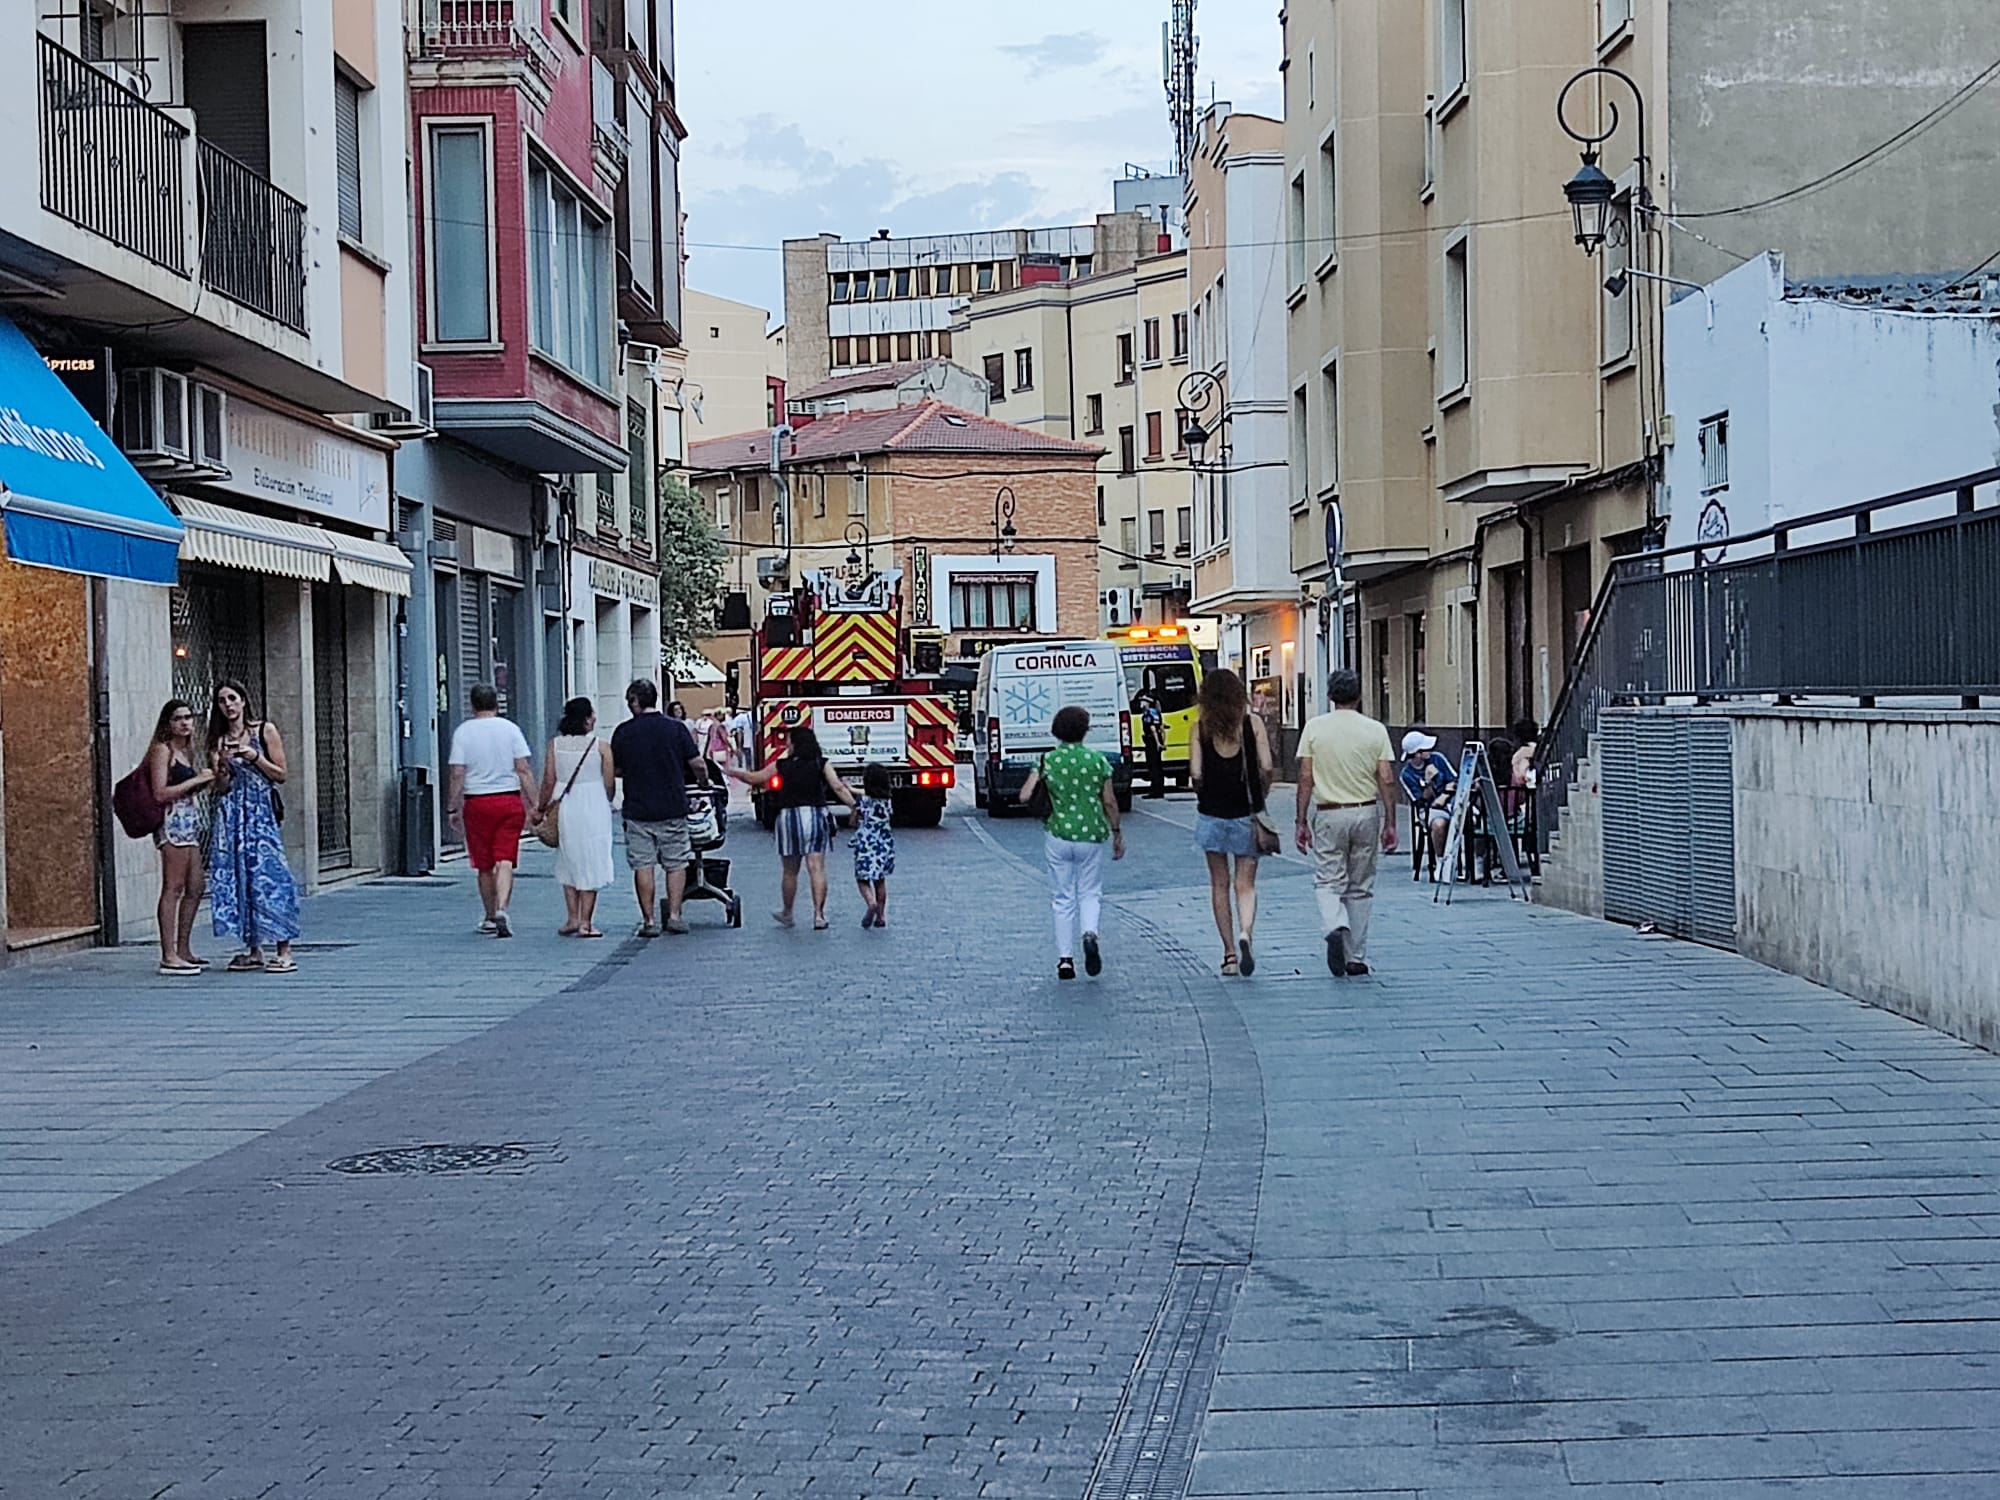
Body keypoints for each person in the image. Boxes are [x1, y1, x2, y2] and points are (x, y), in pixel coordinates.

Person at [1294, 669, 1398, 978]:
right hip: (1365, 811)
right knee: (1360, 887)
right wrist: (1390, 821)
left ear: (1330, 696)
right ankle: (1356, 957)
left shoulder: (1314, 729)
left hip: (1328, 812)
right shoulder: (1375, 730)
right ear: (1359, 695)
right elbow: (1387, 778)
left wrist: (1301, 820)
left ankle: (1334, 923)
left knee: (1328, 879)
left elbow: (1305, 777)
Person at [1018, 706, 1124, 981]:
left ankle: (1065, 960)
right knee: (1089, 891)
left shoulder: (1047, 760)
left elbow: (1025, 795)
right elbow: (1110, 801)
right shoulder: (1098, 760)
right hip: (1091, 834)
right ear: (1084, 731)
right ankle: (1089, 933)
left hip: (1058, 834)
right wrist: (1117, 832)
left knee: (1062, 897)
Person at [206, 679, 301, 973]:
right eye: (222, 701)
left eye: (233, 698)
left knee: (271, 875)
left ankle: (284, 948)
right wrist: (221, 766)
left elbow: (281, 774)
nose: (229, 705)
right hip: (233, 815)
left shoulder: (263, 730)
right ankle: (254, 948)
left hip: (260, 815)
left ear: (243, 701)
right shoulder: (219, 741)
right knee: (240, 878)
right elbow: (220, 788)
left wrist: (254, 756)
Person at [728, 725, 857, 930]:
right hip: (815, 815)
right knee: (817, 868)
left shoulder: (782, 765)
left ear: (795, 744)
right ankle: (819, 915)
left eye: (789, 740)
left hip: (789, 818)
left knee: (790, 871)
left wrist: (733, 772)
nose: (786, 744)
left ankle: (788, 912)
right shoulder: (820, 763)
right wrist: (854, 807)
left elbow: (756, 778)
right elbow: (838, 787)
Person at [1190, 670, 1273, 977]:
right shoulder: (1253, 724)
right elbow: (1266, 766)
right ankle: (1246, 934)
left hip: (1211, 814)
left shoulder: (1199, 729)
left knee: (1219, 884)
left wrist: (1205, 791)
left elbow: (1196, 774)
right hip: (1246, 814)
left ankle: (1228, 955)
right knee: (1246, 884)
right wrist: (1261, 793)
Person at [612, 677, 708, 937]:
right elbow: (697, 763)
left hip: (638, 808)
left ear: (635, 701)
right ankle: (675, 915)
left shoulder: (623, 732)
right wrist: (702, 781)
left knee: (643, 864)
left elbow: (616, 768)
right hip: (672, 806)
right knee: (676, 863)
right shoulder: (676, 729)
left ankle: (650, 920)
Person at [446, 684, 541, 939]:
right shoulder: (510, 730)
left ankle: (489, 916)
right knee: (506, 858)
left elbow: (457, 773)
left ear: (472, 704)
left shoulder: (464, 732)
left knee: (484, 864)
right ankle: (502, 908)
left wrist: (452, 807)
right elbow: (523, 769)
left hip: (477, 803)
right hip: (509, 802)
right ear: (496, 704)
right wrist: (534, 804)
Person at [147, 699, 218, 976]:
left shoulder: (185, 752)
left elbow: (186, 790)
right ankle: (169, 954)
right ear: (168, 723)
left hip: (189, 824)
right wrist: (195, 780)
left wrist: (203, 782)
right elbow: (160, 793)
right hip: (171, 823)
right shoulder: (162, 751)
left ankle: (184, 948)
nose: (185, 723)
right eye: (179, 718)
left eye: (189, 717)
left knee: (196, 885)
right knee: (173, 886)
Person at [540, 697, 616, 939]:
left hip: (566, 805)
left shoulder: (555, 745)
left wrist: (541, 807)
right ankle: (586, 922)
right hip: (593, 804)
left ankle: (572, 917)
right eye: (592, 714)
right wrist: (607, 799)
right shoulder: (601, 746)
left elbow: (549, 779)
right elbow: (609, 783)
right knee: (592, 859)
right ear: (585, 719)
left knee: (569, 857)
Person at [1400, 730, 1459, 866]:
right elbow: (1421, 801)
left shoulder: (1438, 758)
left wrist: (1444, 796)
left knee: (1470, 819)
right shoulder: (1406, 775)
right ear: (1417, 754)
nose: (1430, 751)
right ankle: (1441, 861)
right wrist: (1428, 782)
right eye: (1426, 749)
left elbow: (1454, 781)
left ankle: (1471, 862)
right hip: (1428, 810)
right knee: (1439, 825)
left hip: (1451, 802)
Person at [850, 762, 897, 930]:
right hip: (884, 843)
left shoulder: (862, 801)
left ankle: (871, 902)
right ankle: (881, 916)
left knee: (862, 878)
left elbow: (853, 820)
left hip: (866, 843)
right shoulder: (887, 801)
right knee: (880, 880)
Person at [1136, 690, 1167, 798]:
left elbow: (1152, 728)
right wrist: (1162, 742)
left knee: (1153, 766)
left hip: (1151, 741)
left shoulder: (1148, 713)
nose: (1141, 703)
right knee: (1158, 766)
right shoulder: (1156, 712)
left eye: (1143, 701)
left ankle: (1155, 791)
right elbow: (1161, 729)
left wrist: (1157, 743)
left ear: (1147, 702)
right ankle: (1160, 789)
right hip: (1157, 741)